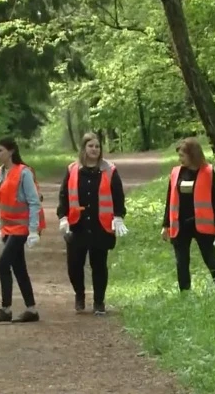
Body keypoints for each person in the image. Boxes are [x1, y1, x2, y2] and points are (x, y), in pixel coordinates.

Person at [57, 133, 128, 316]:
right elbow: (64, 194)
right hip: (77, 224)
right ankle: (79, 294)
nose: (94, 149)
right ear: (83, 148)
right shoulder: (73, 169)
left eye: (97, 146)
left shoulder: (109, 170)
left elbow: (118, 195)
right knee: (74, 265)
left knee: (99, 264)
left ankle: (99, 301)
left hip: (100, 225)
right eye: (91, 146)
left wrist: (118, 216)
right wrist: (63, 217)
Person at [0, 137, 46, 323]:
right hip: (8, 227)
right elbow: (3, 203)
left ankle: (6, 308)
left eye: (0, 150)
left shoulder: (23, 173)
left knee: (2, 264)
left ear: (11, 152)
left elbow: (34, 202)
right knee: (19, 267)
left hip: (21, 227)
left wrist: (34, 230)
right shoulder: (1, 172)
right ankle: (32, 310)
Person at [161, 137, 215, 292]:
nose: (180, 159)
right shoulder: (175, 173)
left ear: (193, 155)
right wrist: (166, 225)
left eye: (182, 156)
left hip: (202, 224)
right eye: (179, 156)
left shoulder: (207, 172)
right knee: (181, 261)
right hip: (180, 223)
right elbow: (169, 199)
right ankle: (185, 293)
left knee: (211, 259)